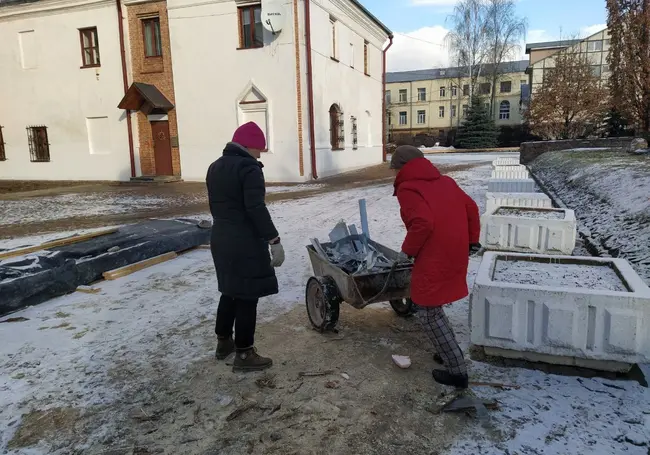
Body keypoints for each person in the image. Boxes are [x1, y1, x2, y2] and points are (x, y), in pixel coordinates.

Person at [391, 145, 481, 389]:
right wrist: (472, 240)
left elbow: (422, 222)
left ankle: (457, 371)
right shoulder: (446, 182)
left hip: (434, 254)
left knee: (427, 312)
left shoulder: (408, 188)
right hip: (456, 249)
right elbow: (471, 208)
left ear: (401, 167)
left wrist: (407, 252)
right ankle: (447, 351)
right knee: (435, 305)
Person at [206, 121, 285, 373]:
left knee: (229, 290)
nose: (260, 154)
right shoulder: (249, 168)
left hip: (220, 237)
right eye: (259, 149)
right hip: (244, 241)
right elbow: (255, 208)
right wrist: (274, 240)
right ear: (249, 145)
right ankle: (244, 353)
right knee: (248, 296)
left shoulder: (214, 167)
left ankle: (223, 343)